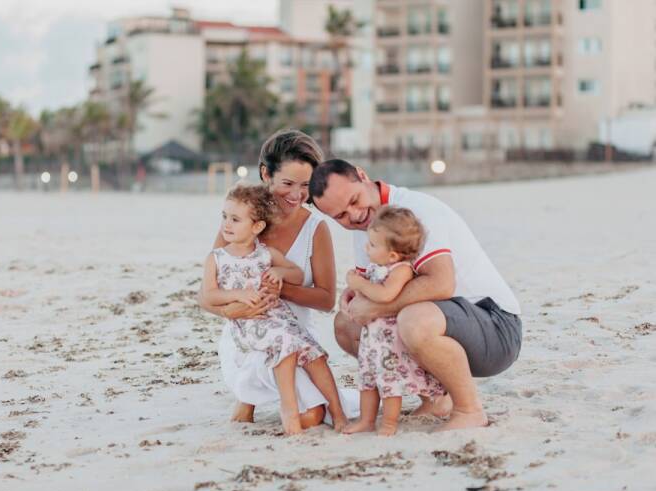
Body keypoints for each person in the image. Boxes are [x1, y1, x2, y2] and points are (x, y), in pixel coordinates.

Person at [309, 159, 522, 431]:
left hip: (495, 326)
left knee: (412, 319)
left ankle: (469, 410)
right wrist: (352, 298)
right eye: (340, 216)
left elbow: (441, 283)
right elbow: (373, 284)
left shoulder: (415, 211)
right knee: (346, 324)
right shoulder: (366, 228)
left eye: (354, 200)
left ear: (363, 176)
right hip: (446, 322)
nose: (355, 215)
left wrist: (376, 308)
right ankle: (436, 399)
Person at [197, 129, 357, 433]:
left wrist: (282, 288)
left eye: (305, 185)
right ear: (265, 174)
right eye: (287, 183)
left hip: (295, 333)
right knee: (269, 361)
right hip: (248, 332)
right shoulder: (239, 222)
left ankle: (259, 398)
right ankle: (248, 397)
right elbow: (205, 295)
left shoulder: (315, 229)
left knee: (313, 416)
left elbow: (326, 299)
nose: (296, 195)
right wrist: (232, 310)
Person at [342, 206, 446, 436]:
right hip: (371, 340)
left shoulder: (401, 270)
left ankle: (389, 423)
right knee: (367, 382)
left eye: (372, 245)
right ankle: (367, 420)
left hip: (390, 344)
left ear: (392, 255)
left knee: (390, 385)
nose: (366, 248)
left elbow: (385, 295)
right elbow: (366, 294)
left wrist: (360, 284)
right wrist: (355, 286)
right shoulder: (376, 267)